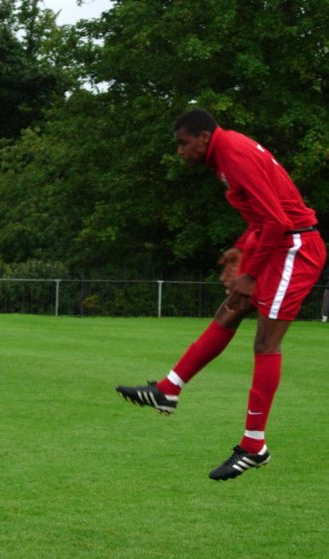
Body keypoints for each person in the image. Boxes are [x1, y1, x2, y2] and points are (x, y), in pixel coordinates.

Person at [116, 109, 326, 481]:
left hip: (296, 248)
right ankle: (167, 390)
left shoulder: (233, 154)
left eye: (183, 143)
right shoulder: (225, 153)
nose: (180, 151)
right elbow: (263, 219)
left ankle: (253, 447)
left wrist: (249, 274)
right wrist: (240, 247)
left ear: (204, 136)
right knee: (230, 309)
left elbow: (278, 222)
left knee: (266, 344)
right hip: (279, 243)